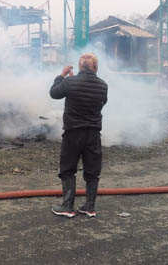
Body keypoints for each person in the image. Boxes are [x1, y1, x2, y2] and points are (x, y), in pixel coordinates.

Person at [49, 53, 108, 218]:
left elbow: (54, 93)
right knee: (92, 172)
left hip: (73, 133)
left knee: (68, 170)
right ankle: (89, 207)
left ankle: (68, 207)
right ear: (95, 67)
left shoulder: (69, 82)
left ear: (80, 66)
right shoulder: (103, 85)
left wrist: (62, 76)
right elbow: (102, 102)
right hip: (93, 134)